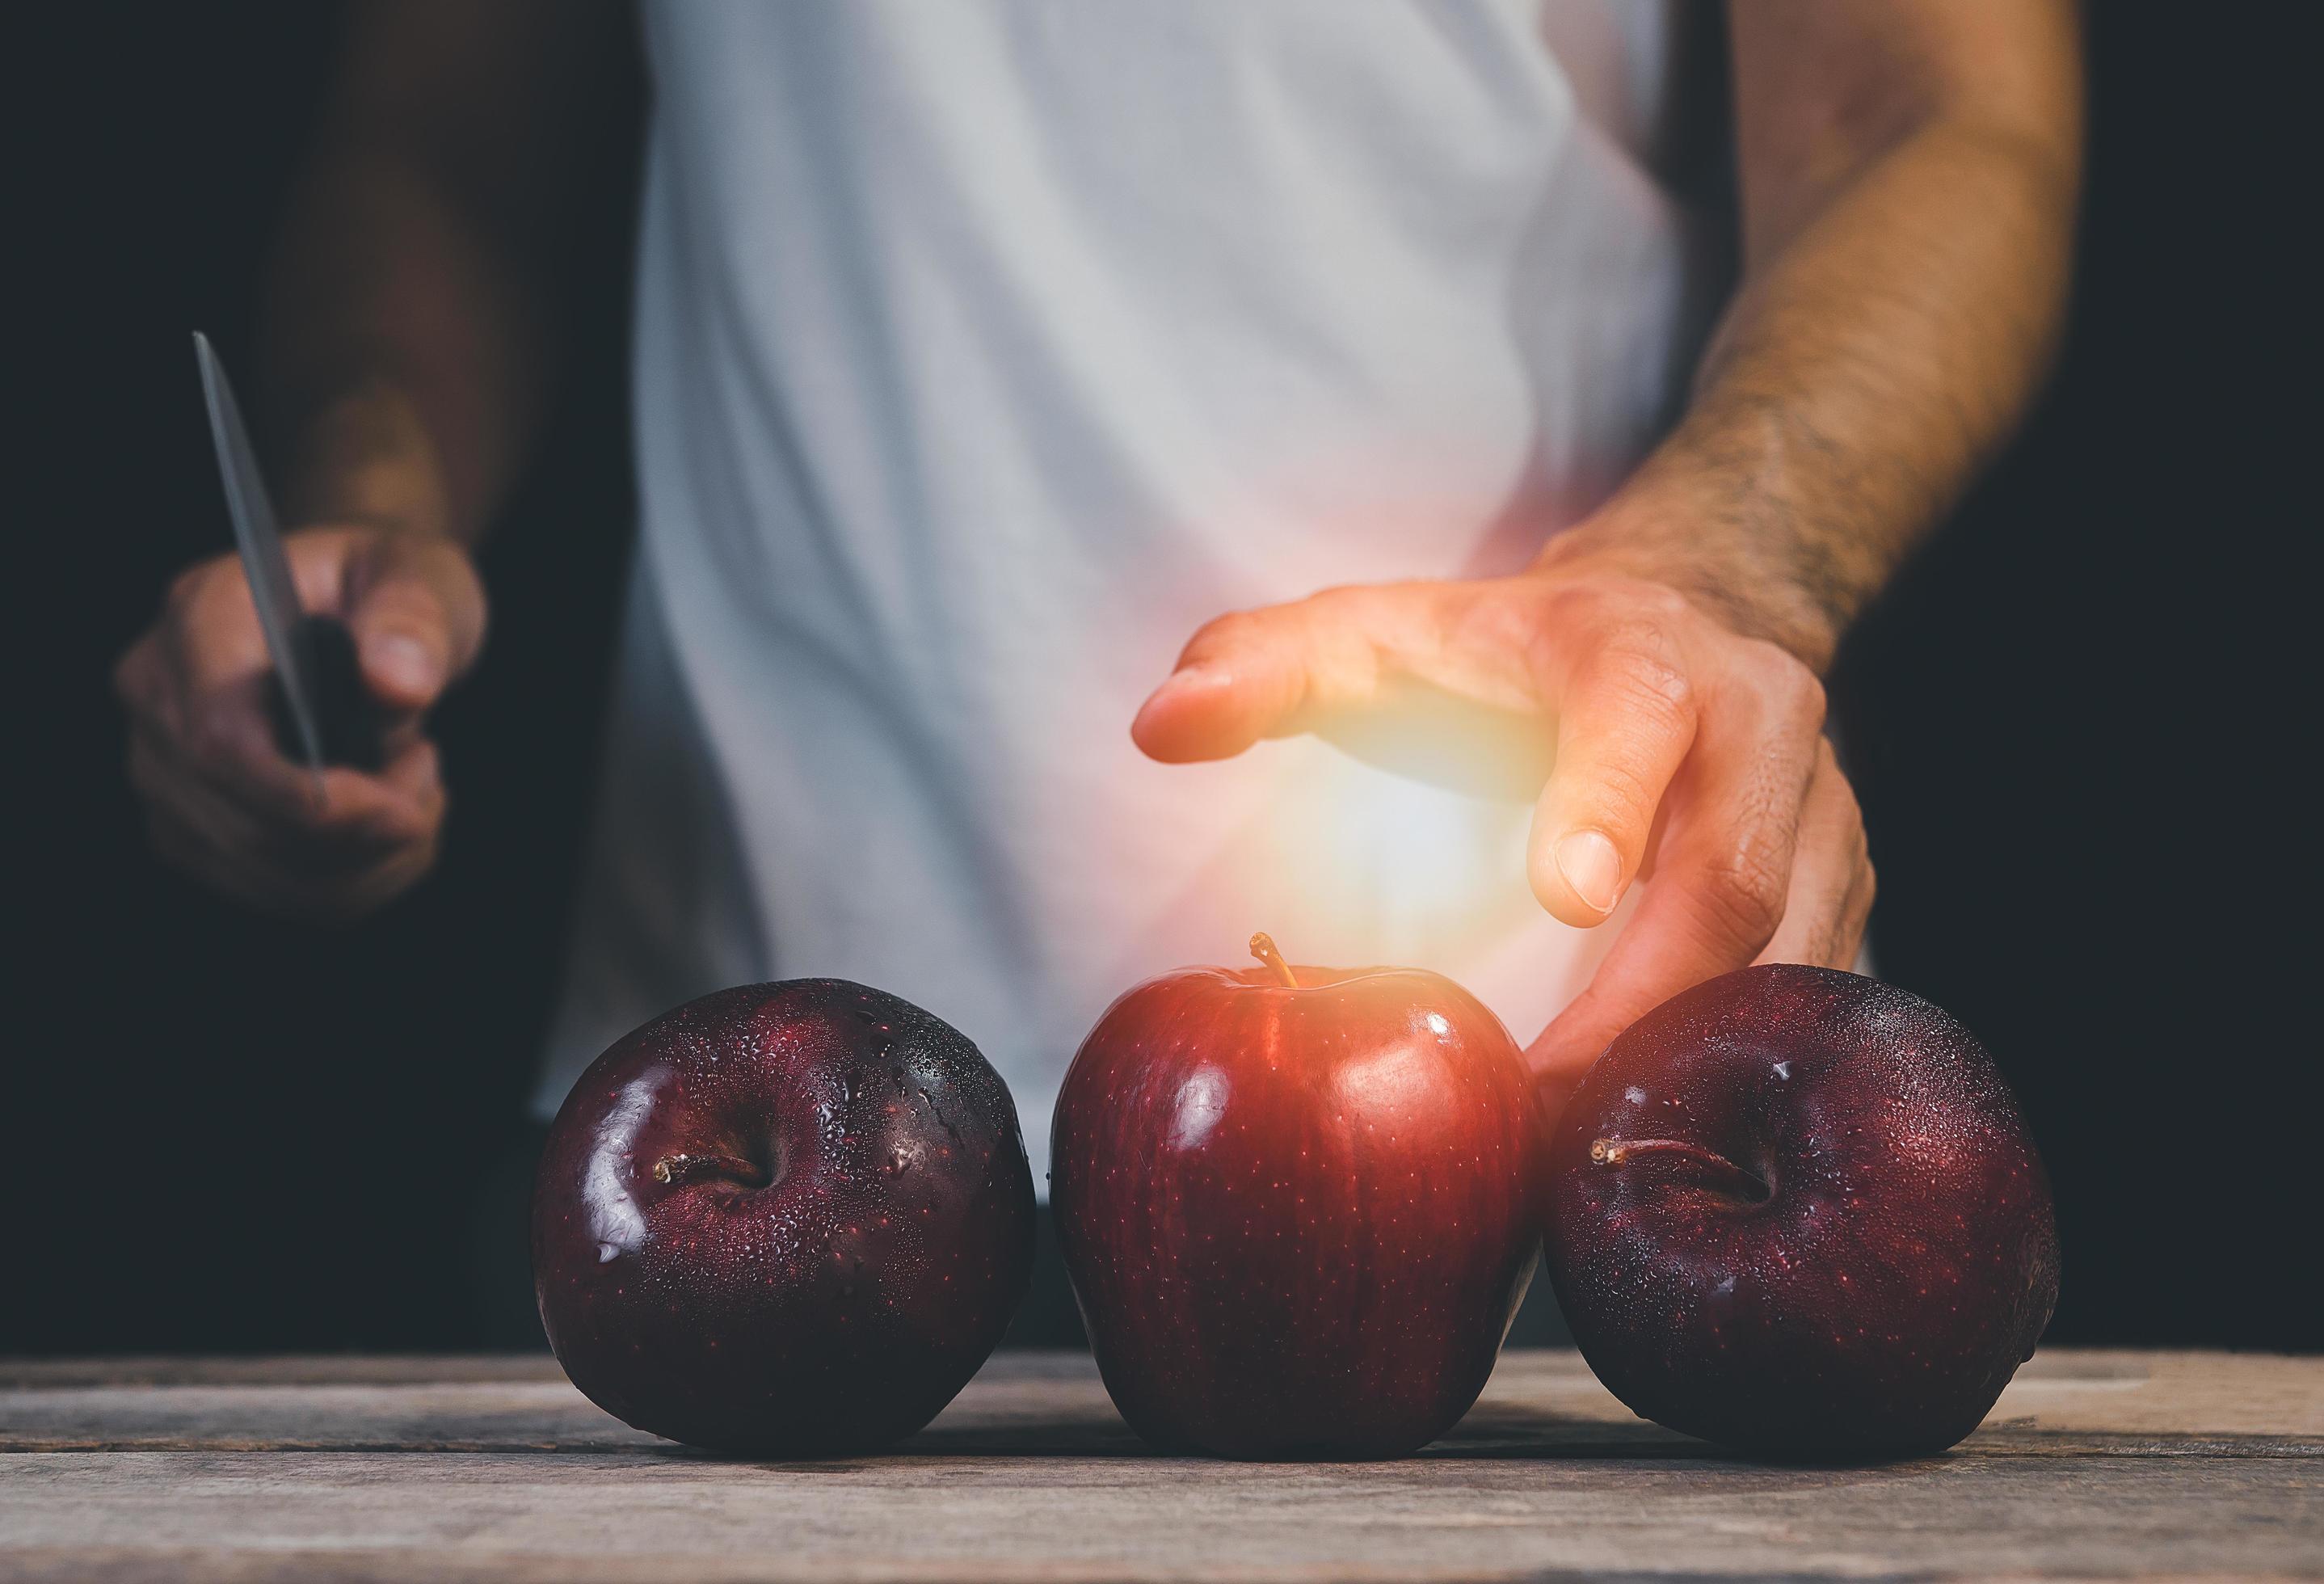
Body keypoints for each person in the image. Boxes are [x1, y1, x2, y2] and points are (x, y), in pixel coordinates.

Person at [115, 1, 2079, 1177]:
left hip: (1543, 1085)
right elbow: (446, 131)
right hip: (719, 1094)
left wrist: (1713, 563)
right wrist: (368, 486)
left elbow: (1931, 106)